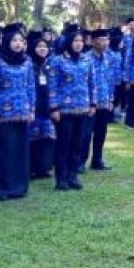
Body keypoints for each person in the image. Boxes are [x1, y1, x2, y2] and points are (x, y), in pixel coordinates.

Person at [0, 24, 35, 201]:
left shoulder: (27, 61)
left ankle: (18, 187)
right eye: (14, 40)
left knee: (19, 151)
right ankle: (0, 188)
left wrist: (32, 109)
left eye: (21, 41)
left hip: (22, 112)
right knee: (3, 151)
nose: (17, 44)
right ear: (7, 41)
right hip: (3, 114)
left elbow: (31, 86)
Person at [49, 30, 95, 191]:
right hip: (63, 110)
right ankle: (61, 178)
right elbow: (52, 85)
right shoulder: (58, 61)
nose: (78, 43)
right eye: (75, 40)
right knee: (64, 143)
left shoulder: (87, 60)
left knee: (77, 143)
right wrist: (53, 107)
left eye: (81, 41)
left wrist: (93, 104)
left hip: (82, 108)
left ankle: (72, 176)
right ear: (69, 42)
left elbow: (91, 83)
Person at [82, 29, 115, 170]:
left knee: (101, 133)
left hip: (104, 102)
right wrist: (89, 102)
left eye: (107, 40)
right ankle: (80, 162)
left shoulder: (108, 58)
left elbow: (110, 80)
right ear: (94, 41)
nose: (105, 43)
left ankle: (97, 160)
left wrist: (111, 99)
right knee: (85, 134)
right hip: (90, 103)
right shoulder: (85, 58)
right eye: (102, 40)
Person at [27, 32, 56, 179]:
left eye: (44, 46)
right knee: (32, 139)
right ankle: (31, 168)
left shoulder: (51, 64)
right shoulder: (28, 64)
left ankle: (44, 168)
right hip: (33, 106)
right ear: (33, 48)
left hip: (48, 106)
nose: (42, 49)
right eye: (39, 46)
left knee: (47, 138)